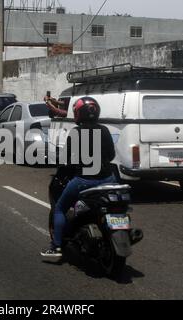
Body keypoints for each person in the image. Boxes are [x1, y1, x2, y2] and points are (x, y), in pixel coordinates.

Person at [41, 97, 117, 259]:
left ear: (78, 114)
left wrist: (63, 173)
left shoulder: (76, 133)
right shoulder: (104, 130)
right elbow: (111, 155)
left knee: (60, 208)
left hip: (84, 181)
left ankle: (56, 247)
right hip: (108, 180)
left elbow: (68, 160)